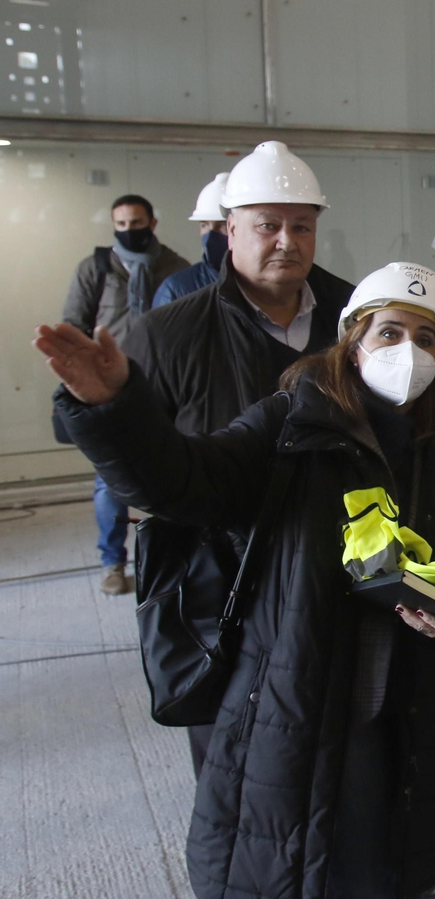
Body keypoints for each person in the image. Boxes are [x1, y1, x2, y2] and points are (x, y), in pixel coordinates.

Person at [39, 262, 435, 899]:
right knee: (306, 839)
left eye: (426, 339)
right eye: (390, 332)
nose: (409, 351)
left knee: (402, 825)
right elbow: (184, 481)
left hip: (417, 680)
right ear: (353, 341)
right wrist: (117, 409)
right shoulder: (290, 422)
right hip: (306, 673)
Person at [121, 141, 354, 778]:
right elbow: (140, 461)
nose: (286, 241)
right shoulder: (168, 333)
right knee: (231, 747)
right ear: (229, 230)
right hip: (220, 577)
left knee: (337, 732)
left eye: (301, 226)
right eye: (267, 225)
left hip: (338, 561)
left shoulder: (358, 321)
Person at [62, 193, 191, 595]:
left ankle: (172, 560)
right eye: (121, 225)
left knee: (173, 472)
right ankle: (112, 563)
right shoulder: (96, 269)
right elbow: (73, 324)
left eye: (136, 223)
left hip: (163, 385)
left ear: (152, 223)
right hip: (111, 389)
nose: (128, 231)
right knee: (110, 480)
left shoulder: (176, 269)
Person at [152, 172, 231, 308]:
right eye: (204, 225)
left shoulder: (267, 283)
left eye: (222, 225)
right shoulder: (175, 289)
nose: (210, 235)